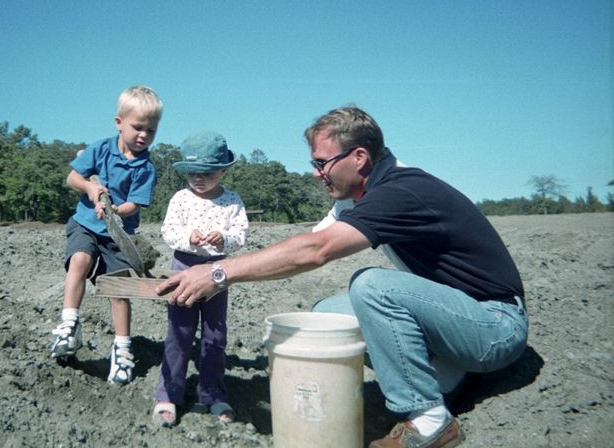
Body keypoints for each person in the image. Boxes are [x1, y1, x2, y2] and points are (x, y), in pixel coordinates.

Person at [157, 106, 528, 448]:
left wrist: (219, 272)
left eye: (322, 163)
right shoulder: (358, 196)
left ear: (359, 157)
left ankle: (430, 419)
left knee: (372, 286)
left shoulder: (399, 191)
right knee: (326, 314)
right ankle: (450, 375)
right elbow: (306, 241)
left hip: (494, 326)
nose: (316, 173)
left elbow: (316, 252)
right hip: (452, 316)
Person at [51, 85, 163, 387]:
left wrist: (115, 210)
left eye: (150, 131)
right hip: (86, 224)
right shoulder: (100, 149)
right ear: (119, 123)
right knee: (79, 260)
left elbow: (134, 204)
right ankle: (69, 324)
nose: (143, 135)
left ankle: (123, 349)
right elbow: (72, 176)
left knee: (118, 289)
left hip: (119, 235)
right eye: (137, 127)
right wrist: (90, 189)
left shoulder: (145, 167)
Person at [152, 132, 249, 427]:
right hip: (183, 267)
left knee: (215, 334)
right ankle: (167, 395)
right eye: (193, 173)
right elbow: (168, 231)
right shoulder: (180, 199)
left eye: (207, 173)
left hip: (219, 272)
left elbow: (241, 235)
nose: (199, 179)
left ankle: (212, 395)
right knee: (179, 332)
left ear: (223, 170)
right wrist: (188, 238)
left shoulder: (232, 201)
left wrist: (224, 239)